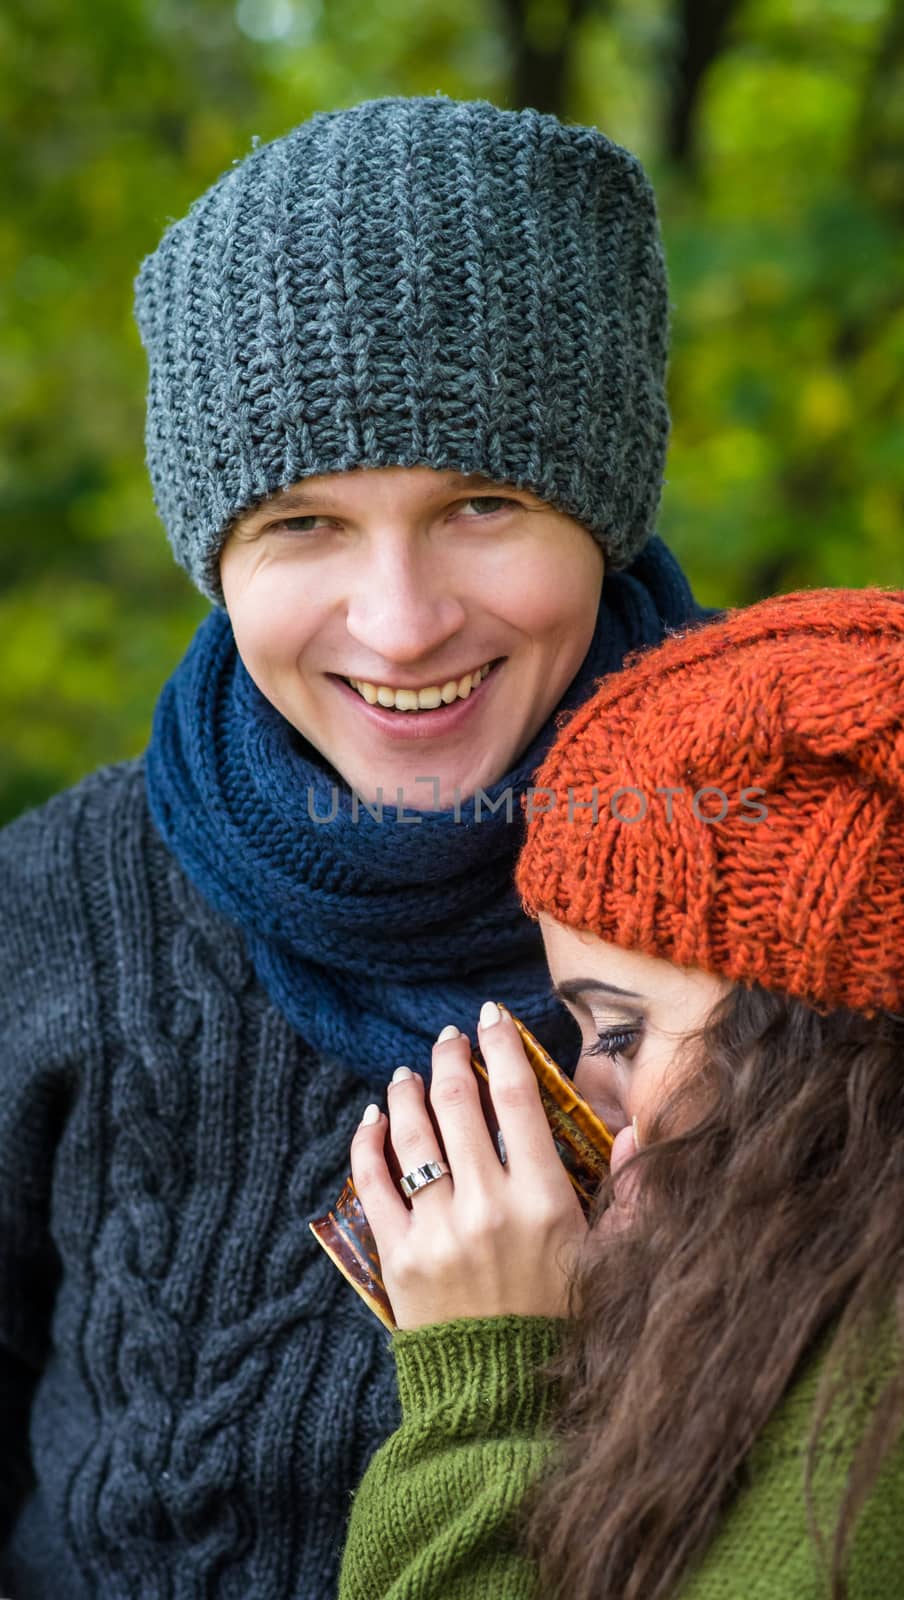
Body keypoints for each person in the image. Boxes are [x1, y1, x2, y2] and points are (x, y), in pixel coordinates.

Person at [0, 96, 710, 1597]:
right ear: (214, 555)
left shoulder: (796, 887)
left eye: (482, 503)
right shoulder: (62, 901)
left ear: (604, 510)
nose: (399, 625)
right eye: (301, 527)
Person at [339, 587, 904, 1599]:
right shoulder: (834, 1305)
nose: (592, 1099)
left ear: (831, 1036)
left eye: (622, 1031)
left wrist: (486, 1382)